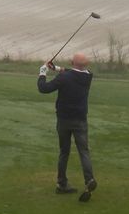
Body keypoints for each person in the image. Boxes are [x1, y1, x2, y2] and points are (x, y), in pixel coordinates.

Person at [37, 52, 97, 200]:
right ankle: (89, 179)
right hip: (81, 120)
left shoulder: (64, 78)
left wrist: (42, 72)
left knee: (64, 152)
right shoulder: (88, 75)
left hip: (64, 120)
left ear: (72, 62)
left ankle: (62, 183)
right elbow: (73, 72)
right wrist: (56, 68)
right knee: (84, 151)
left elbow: (43, 88)